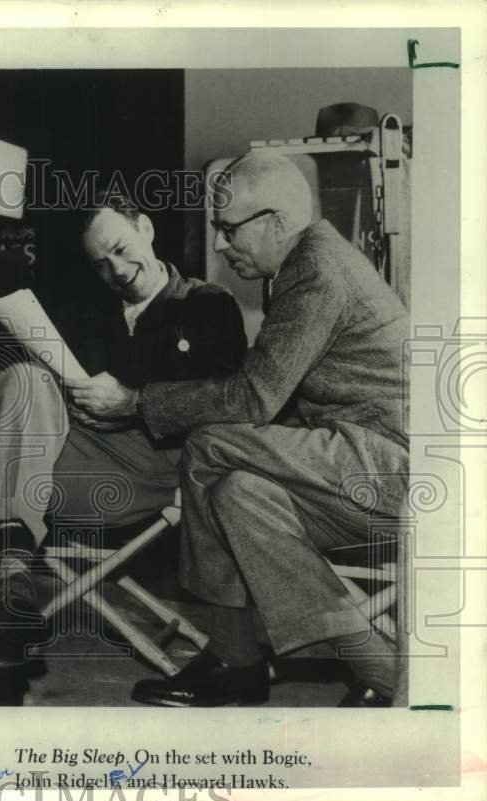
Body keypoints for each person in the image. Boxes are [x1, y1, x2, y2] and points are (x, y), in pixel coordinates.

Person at [76, 152, 408, 708]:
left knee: (209, 445)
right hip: (351, 460)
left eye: (229, 228)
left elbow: (255, 396)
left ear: (275, 222)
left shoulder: (317, 270)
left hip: (393, 466)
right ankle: (357, 664)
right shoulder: (296, 270)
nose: (222, 244)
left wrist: (137, 401)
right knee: (238, 494)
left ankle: (246, 661)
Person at [0, 191, 247, 705]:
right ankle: (11, 605)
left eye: (121, 249)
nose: (117, 270)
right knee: (22, 387)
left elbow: (228, 406)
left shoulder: (208, 304)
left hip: (153, 472)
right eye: (101, 264)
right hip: (79, 461)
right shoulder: (92, 310)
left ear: (145, 227)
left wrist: (132, 403)